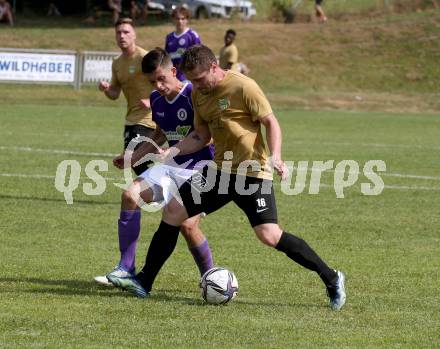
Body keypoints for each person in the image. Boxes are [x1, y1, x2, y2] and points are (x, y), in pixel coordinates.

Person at [109, 45, 347, 311]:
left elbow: (271, 122)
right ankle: (144, 281)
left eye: (199, 78)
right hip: (220, 171)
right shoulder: (199, 94)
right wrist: (172, 151)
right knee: (174, 211)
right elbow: (200, 135)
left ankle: (332, 277)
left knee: (269, 235)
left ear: (214, 67)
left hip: (252, 174)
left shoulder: (243, 86)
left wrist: (276, 156)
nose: (196, 85)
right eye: (192, 80)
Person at [95, 19, 213, 286]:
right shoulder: (158, 100)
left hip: (200, 167)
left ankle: (212, 277)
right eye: (152, 82)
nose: (158, 86)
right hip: (170, 166)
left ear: (174, 71)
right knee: (130, 194)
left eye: (161, 78)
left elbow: (206, 136)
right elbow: (159, 133)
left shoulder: (194, 94)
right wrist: (133, 157)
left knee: (188, 226)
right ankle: (125, 268)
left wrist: (173, 149)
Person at [164, 6, 201, 82]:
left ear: (187, 20)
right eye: (177, 18)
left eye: (183, 18)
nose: (180, 21)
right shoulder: (169, 37)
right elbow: (167, 58)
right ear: (173, 19)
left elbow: (199, 56)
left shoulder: (192, 35)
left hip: (188, 77)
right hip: (173, 78)